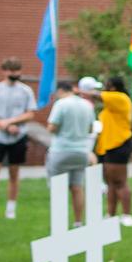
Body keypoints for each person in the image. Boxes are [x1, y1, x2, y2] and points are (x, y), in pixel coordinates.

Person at [0, 58, 33, 222]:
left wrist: (11, 122)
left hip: (18, 135)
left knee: (13, 172)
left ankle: (11, 209)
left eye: (17, 70)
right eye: (11, 70)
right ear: (4, 71)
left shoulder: (25, 91)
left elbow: (30, 113)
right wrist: (1, 124)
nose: (14, 73)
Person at [45, 79, 97, 225]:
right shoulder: (86, 105)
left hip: (61, 150)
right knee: (77, 187)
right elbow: (91, 129)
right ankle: (78, 221)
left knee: (58, 187)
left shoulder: (61, 104)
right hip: (82, 151)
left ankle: (59, 223)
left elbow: (52, 127)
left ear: (60, 90)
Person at [94, 77, 132, 225]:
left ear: (112, 87)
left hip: (119, 144)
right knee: (111, 183)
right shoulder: (110, 105)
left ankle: (126, 215)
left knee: (120, 181)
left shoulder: (120, 98)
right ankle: (111, 214)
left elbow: (96, 95)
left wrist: (76, 90)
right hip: (108, 146)